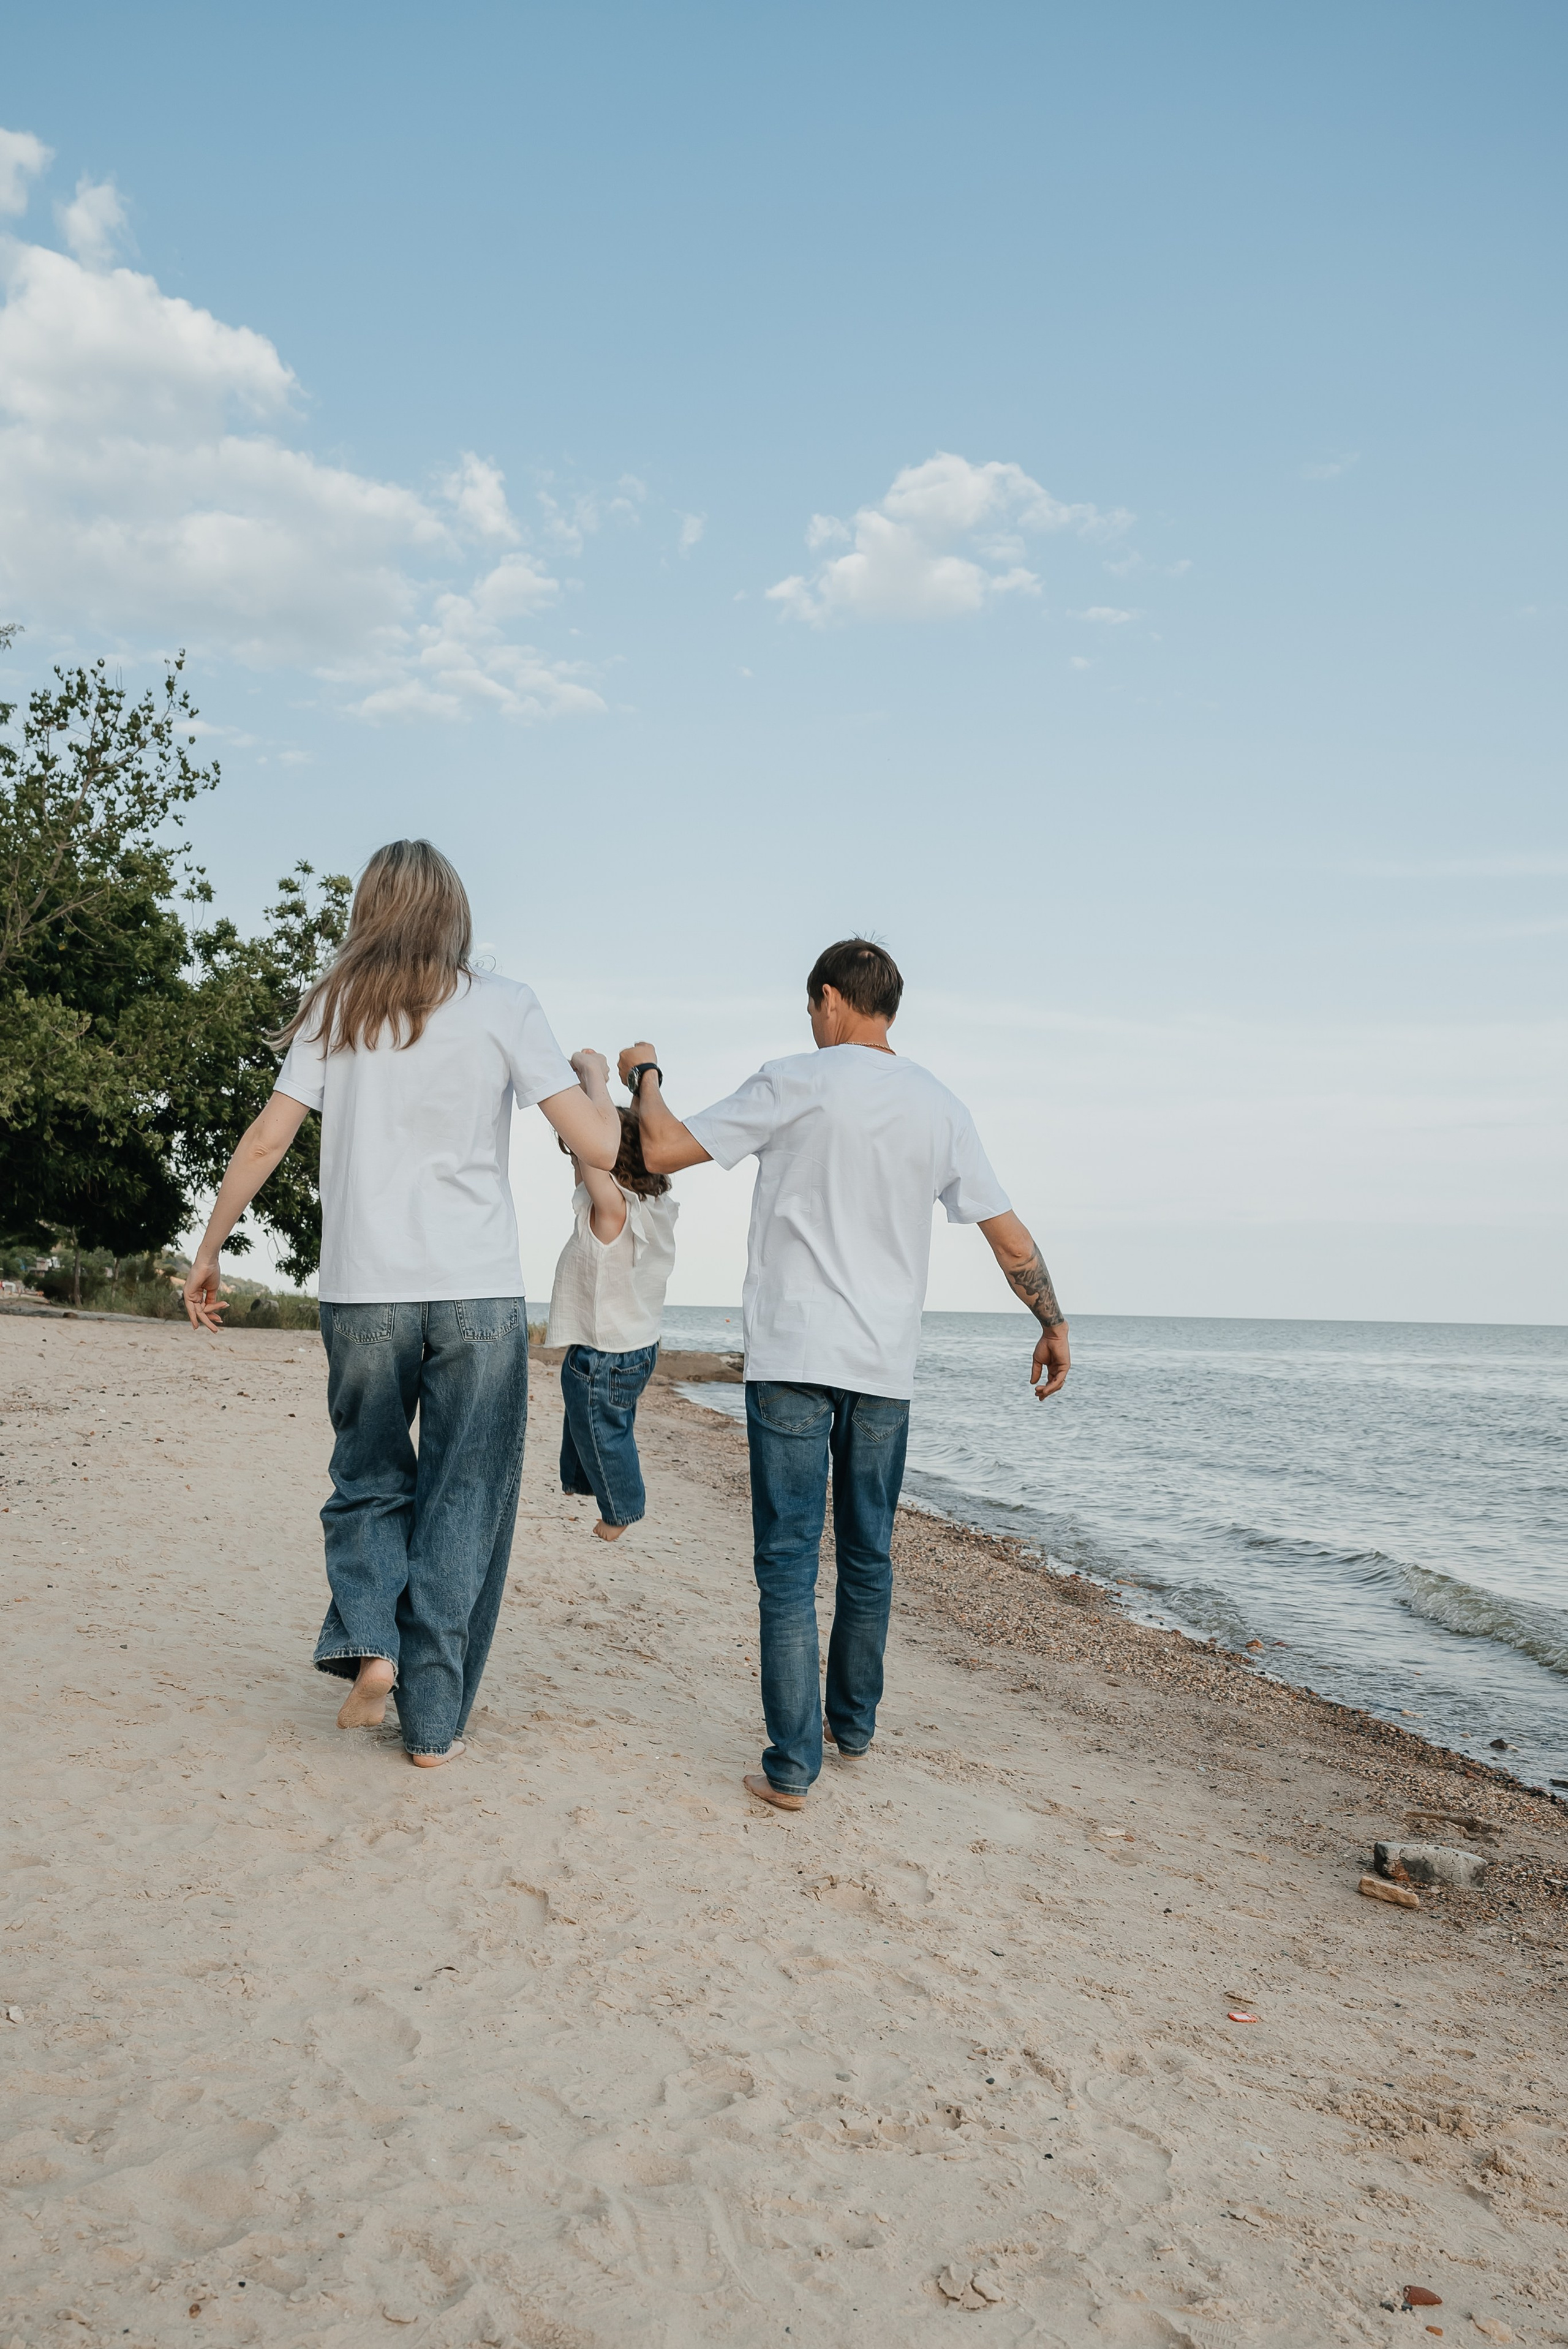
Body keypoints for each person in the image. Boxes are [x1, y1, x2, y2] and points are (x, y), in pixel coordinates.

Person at [183, 839, 620, 1767]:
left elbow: (268, 1138)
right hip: (475, 1294)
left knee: (369, 1477)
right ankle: (431, 1727)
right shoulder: (505, 1004)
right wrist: (598, 1085)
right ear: (453, 910)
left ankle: (372, 1641)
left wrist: (211, 1245)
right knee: (465, 1495)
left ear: (369, 909)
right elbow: (597, 1143)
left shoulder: (338, 1006)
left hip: (362, 1289)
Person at [619, 938, 1069, 1811]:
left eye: (812, 1008)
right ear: (887, 1005)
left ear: (830, 998)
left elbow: (662, 1149)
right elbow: (1010, 1238)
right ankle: (851, 1725)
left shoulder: (795, 1078)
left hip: (792, 1354)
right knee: (868, 1554)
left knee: (788, 1563)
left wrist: (645, 1071)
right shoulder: (940, 1105)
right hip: (884, 1366)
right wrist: (1050, 1321)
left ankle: (792, 1768)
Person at [546, 1104, 679, 1540]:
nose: (576, 1164)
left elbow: (592, 1150)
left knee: (601, 1425)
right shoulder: (649, 1206)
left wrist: (591, 1082)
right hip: (635, 1343)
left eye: (579, 1157)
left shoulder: (613, 1211)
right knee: (590, 1418)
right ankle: (584, 1480)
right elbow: (589, 1164)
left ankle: (622, 1509)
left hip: (607, 1354)